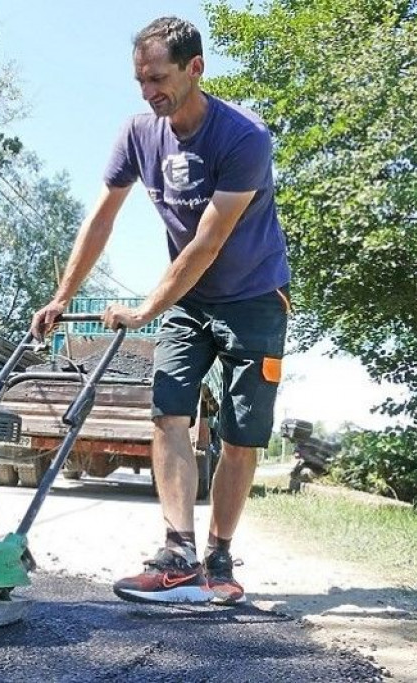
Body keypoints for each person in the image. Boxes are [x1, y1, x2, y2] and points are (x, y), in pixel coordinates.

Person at [31, 16, 290, 606]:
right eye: (140, 80)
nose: (148, 92)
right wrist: (62, 295)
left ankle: (219, 559)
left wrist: (145, 308)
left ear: (195, 68)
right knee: (168, 412)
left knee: (240, 433)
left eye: (158, 78)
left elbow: (208, 242)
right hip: (188, 300)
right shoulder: (138, 133)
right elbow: (102, 217)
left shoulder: (244, 137)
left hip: (254, 298)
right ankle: (177, 554)